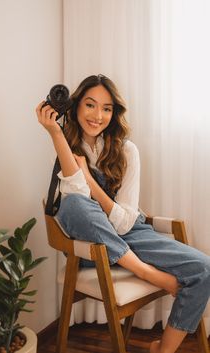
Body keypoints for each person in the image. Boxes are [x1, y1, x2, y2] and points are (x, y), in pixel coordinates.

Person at [36, 74, 210, 353]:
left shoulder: (127, 150)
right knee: (74, 205)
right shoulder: (66, 148)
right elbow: (79, 205)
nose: (98, 115)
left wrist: (93, 184)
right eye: (90, 105)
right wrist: (56, 133)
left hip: (130, 233)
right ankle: (147, 272)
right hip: (91, 248)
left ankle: (163, 350)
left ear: (114, 113)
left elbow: (127, 220)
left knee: (204, 269)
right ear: (76, 106)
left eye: (106, 108)